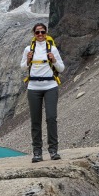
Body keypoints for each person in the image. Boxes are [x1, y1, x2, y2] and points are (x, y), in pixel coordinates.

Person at [20, 23, 65, 163]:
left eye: (42, 32)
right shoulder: (28, 49)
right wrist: (28, 59)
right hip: (33, 87)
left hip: (50, 86)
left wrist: (54, 60)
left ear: (46, 33)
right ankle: (37, 152)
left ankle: (53, 150)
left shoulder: (52, 49)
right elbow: (22, 67)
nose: (40, 35)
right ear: (34, 34)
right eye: (37, 32)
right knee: (35, 120)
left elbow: (61, 68)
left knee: (51, 118)